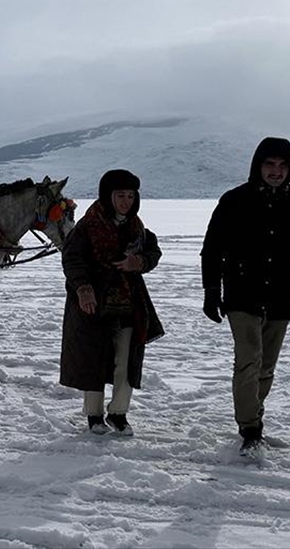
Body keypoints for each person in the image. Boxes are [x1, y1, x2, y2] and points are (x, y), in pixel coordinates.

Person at [201, 137, 290, 456]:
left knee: (266, 366)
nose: (276, 171)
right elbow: (212, 250)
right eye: (270, 164)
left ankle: (252, 414)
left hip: (282, 294)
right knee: (249, 360)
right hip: (242, 293)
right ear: (258, 166)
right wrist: (212, 291)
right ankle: (250, 427)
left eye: (283, 166)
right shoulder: (235, 200)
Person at [59, 169, 163, 436]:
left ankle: (118, 413)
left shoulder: (136, 227)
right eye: (120, 195)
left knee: (125, 360)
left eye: (130, 195)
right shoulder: (87, 226)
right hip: (93, 304)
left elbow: (153, 251)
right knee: (94, 359)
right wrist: (83, 289)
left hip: (129, 304)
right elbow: (73, 260)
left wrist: (137, 262)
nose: (126, 201)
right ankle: (94, 416)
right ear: (108, 196)